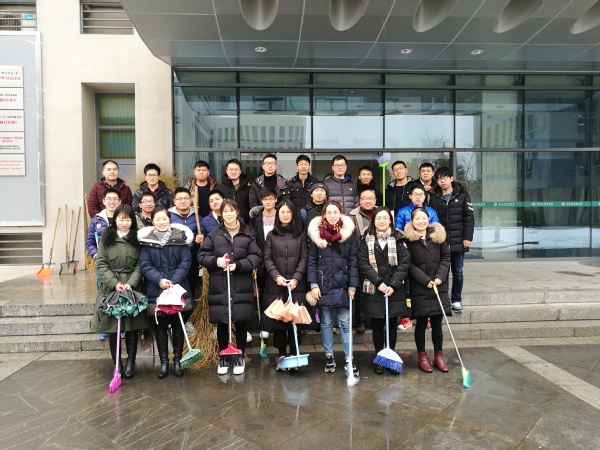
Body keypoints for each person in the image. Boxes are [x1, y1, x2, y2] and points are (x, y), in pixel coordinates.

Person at [198, 199, 262, 375]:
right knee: (223, 322)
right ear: (221, 214)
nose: (228, 214)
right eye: (225, 211)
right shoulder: (214, 235)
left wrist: (239, 265)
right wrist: (216, 261)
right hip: (221, 285)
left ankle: (239, 358)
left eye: (232, 210)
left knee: (240, 322)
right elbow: (202, 255)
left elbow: (256, 256)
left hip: (241, 283)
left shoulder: (248, 234)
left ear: (237, 212)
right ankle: (224, 359)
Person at [91, 205, 149, 379]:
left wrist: (131, 283)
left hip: (132, 288)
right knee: (113, 328)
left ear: (133, 221)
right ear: (115, 220)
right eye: (121, 219)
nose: (124, 223)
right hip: (112, 288)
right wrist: (114, 283)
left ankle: (131, 363)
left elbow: (140, 264)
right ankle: (117, 364)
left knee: (131, 327)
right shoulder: (106, 238)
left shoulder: (137, 239)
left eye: (128, 219)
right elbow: (100, 263)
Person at [139, 206, 193, 379]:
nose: (162, 222)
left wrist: (173, 281)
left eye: (164, 218)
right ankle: (164, 362)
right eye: (158, 219)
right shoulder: (147, 242)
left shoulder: (180, 238)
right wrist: (160, 280)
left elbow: (186, 262)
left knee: (178, 326)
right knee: (160, 327)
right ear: (152, 221)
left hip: (178, 289)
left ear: (169, 219)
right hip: (156, 290)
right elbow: (145, 265)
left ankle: (177, 361)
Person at [307, 200, 359, 377]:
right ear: (324, 215)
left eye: (335, 212)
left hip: (343, 285)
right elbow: (312, 262)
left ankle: (349, 358)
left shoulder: (348, 235)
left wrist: (353, 286)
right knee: (326, 323)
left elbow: (353, 262)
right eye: (329, 212)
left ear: (340, 213)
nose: (332, 215)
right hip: (323, 284)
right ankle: (329, 356)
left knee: (345, 323)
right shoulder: (316, 235)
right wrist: (313, 285)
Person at [357, 207, 410, 375]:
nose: (382, 221)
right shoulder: (365, 239)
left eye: (385, 218)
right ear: (373, 220)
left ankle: (390, 357)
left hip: (394, 289)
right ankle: (380, 357)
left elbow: (405, 263)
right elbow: (363, 263)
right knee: (377, 326)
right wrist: (378, 282)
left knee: (392, 325)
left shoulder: (399, 238)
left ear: (390, 220)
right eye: (378, 218)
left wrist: (393, 284)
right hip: (375, 288)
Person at [260, 199, 309, 372]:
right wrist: (276, 276)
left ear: (293, 214)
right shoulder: (271, 235)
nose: (285, 215)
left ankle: (295, 354)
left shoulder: (301, 235)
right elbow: (267, 258)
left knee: (294, 320)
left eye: (289, 212)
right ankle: (281, 355)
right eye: (282, 212)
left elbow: (304, 258)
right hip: (276, 285)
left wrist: (296, 278)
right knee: (279, 321)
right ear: (278, 214)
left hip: (296, 285)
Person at [404, 208, 451, 373]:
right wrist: (425, 280)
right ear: (412, 221)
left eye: (424, 218)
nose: (421, 221)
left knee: (437, 323)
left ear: (428, 219)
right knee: (421, 323)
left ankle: (439, 357)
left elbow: (446, 257)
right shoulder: (408, 240)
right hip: (420, 287)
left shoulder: (438, 236)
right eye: (417, 219)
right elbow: (409, 264)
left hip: (439, 285)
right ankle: (422, 358)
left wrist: (440, 276)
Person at [394, 183, 439, 331]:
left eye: (421, 194)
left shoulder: (431, 212)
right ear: (410, 196)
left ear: (425, 196)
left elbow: (436, 230)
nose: (418, 197)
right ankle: (407, 317)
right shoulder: (403, 212)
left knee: (427, 285)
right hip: (408, 252)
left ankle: (428, 317)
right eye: (415, 194)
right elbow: (397, 231)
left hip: (427, 253)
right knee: (407, 287)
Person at [429, 167, 474, 313]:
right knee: (442, 272)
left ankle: (456, 300)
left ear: (451, 178)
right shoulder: (434, 196)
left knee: (457, 272)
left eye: (445, 178)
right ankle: (444, 300)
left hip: (458, 240)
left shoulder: (463, 195)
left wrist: (467, 237)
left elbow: (469, 218)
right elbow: (432, 220)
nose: (442, 181)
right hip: (440, 241)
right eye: (439, 179)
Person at [348, 188, 378, 334]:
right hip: (360, 258)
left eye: (370, 198)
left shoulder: (381, 213)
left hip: (379, 258)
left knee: (377, 290)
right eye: (364, 198)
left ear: (375, 200)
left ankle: (375, 319)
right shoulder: (352, 216)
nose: (367, 201)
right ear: (359, 201)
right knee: (360, 292)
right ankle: (361, 321)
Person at [169, 187, 204, 301]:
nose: (183, 201)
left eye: (186, 198)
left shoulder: (197, 216)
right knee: (175, 291)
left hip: (192, 261)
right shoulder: (168, 216)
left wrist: (199, 241)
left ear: (191, 200)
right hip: (174, 262)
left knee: (190, 290)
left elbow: (203, 238)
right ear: (174, 201)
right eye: (179, 199)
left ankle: (189, 311)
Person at [86, 188, 121, 261]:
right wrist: (96, 255)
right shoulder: (96, 220)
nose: (112, 202)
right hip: (102, 261)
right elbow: (90, 242)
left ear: (119, 202)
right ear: (104, 201)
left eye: (115, 199)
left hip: (121, 261)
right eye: (109, 199)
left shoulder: (125, 220)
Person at [215, 158, 252, 223]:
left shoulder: (248, 188)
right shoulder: (219, 189)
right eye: (231, 169)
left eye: (236, 169)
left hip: (245, 224)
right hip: (225, 224)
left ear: (240, 171)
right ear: (227, 171)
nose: (233, 172)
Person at [249, 188, 278, 252]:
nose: (268, 202)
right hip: (260, 251)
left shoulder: (281, 216)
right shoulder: (255, 217)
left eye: (270, 199)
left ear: (276, 199)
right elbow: (252, 236)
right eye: (265, 199)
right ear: (261, 200)